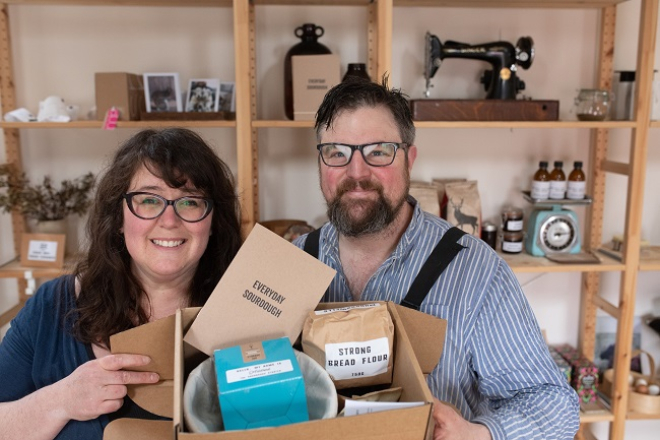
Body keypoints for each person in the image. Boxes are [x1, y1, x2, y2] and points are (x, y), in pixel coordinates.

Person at [293, 78, 580, 440]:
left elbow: (555, 404)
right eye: (337, 152)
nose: (357, 173)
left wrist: (478, 434)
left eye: (379, 151)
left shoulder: (476, 272)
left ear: (409, 159)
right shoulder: (293, 262)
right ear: (320, 162)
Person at [0, 128, 242, 440]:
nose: (169, 221)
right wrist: (59, 402)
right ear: (118, 218)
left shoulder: (247, 315)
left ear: (212, 223)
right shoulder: (53, 306)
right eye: (148, 200)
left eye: (190, 202)